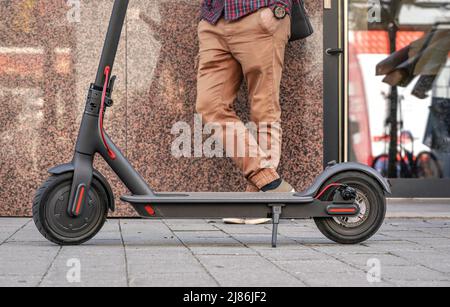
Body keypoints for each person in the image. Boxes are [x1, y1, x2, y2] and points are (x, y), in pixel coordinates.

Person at [196, 0, 297, 224]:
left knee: (264, 109)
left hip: (259, 14)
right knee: (210, 105)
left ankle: (260, 201)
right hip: (214, 19)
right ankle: (270, 184)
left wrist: (279, 8)